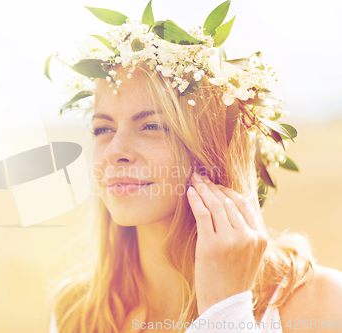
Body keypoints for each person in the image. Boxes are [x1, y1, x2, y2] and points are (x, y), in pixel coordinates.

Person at [45, 2, 342, 332]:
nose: (115, 151)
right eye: (103, 129)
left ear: (214, 151)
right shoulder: (79, 313)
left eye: (152, 126)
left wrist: (226, 312)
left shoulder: (321, 304)